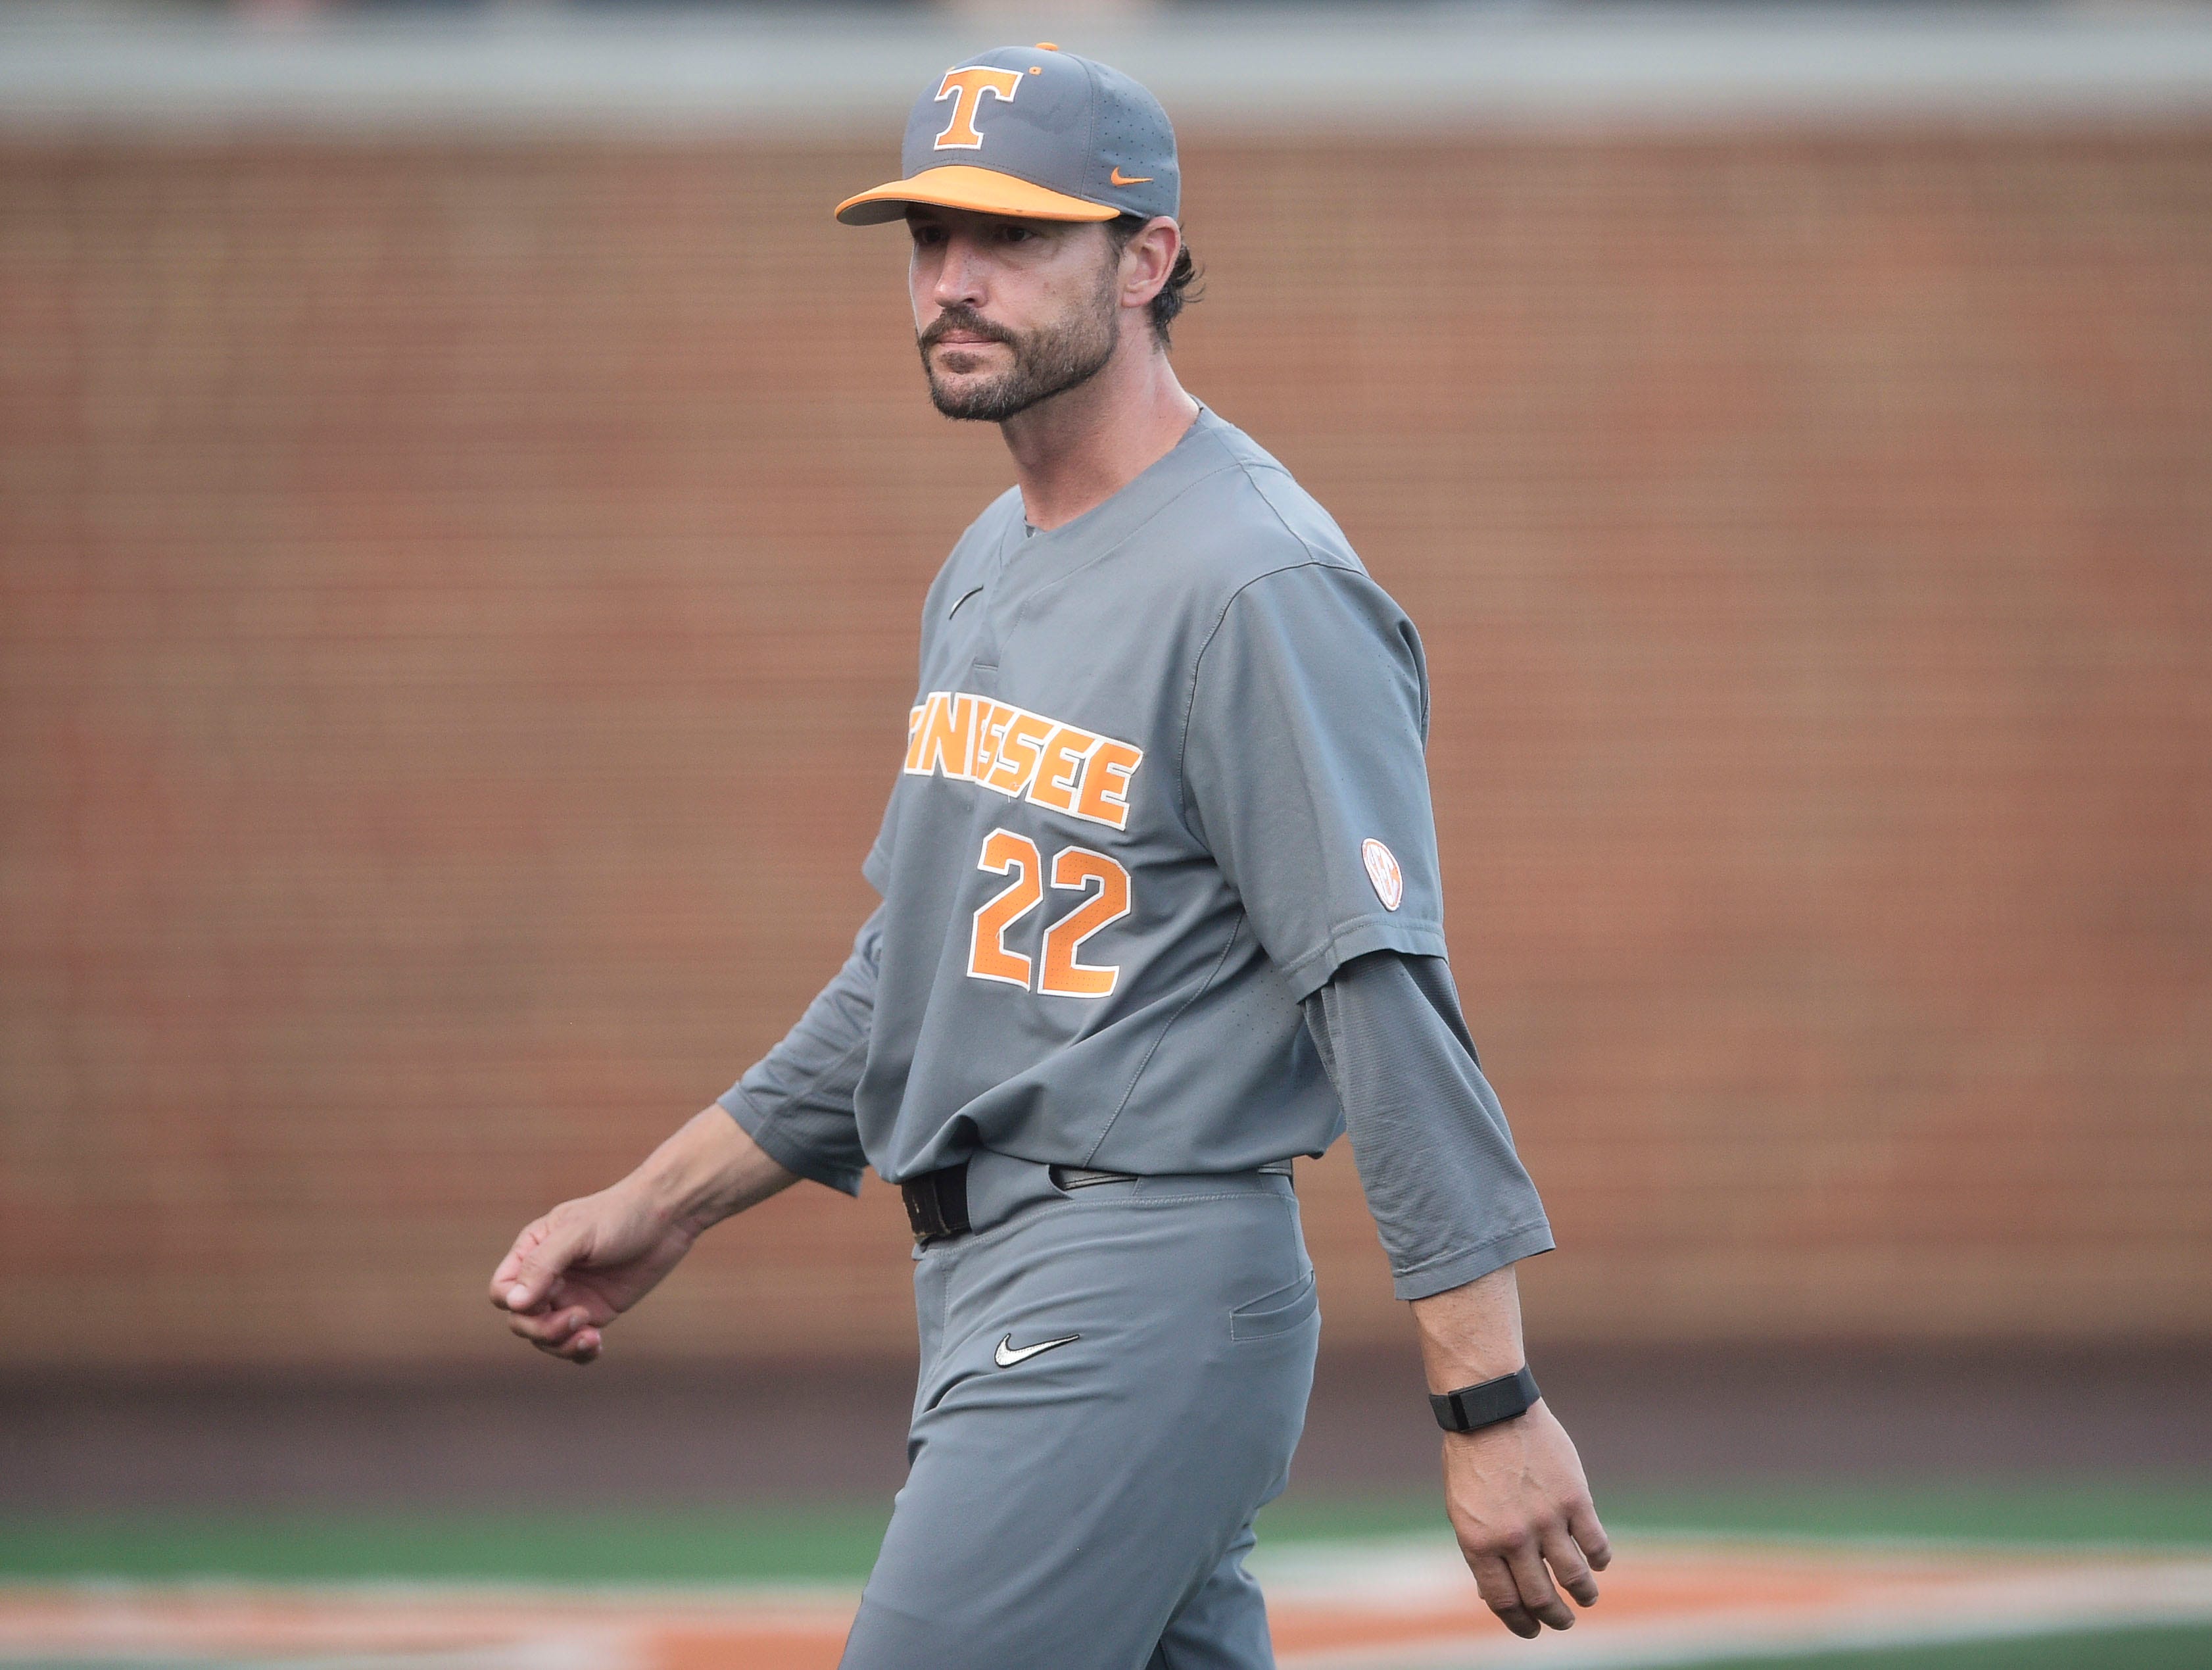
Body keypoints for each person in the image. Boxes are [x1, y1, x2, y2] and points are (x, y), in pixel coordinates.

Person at [488, 43, 1610, 1669]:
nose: (952, 284)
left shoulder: (1256, 582)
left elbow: (1379, 993)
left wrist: (1487, 1394)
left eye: (1014, 239)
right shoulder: (987, 560)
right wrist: (665, 1203)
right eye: (929, 241)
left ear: (1147, 257)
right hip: (995, 1286)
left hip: (1134, 1286)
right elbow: (919, 965)